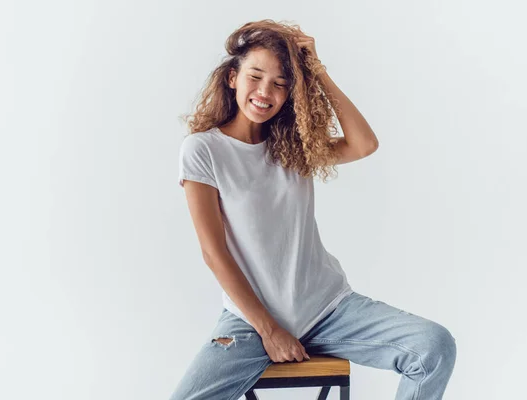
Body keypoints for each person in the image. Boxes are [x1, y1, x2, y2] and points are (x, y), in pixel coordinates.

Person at [172, 19, 456, 400]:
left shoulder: (292, 146)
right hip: (251, 322)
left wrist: (316, 71)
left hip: (328, 310)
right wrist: (269, 330)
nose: (264, 92)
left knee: (434, 346)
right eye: (255, 76)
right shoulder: (203, 150)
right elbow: (214, 252)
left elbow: (364, 144)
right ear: (232, 78)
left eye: (280, 83)